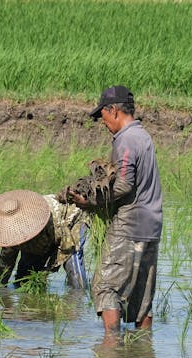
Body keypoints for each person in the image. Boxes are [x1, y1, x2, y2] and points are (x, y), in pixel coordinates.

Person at [64, 85, 163, 333]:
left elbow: (124, 186)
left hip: (129, 225)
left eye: (103, 116)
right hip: (151, 226)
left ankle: (111, 347)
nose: (103, 122)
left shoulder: (126, 139)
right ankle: (142, 351)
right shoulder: (144, 136)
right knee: (142, 297)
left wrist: (90, 201)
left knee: (105, 286)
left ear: (114, 110)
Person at [0, 189, 90, 289]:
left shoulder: (37, 221)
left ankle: (79, 298)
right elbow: (6, 261)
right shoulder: (10, 231)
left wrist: (46, 269)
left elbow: (59, 247)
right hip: (43, 235)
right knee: (22, 281)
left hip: (70, 220)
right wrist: (0, 287)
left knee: (73, 267)